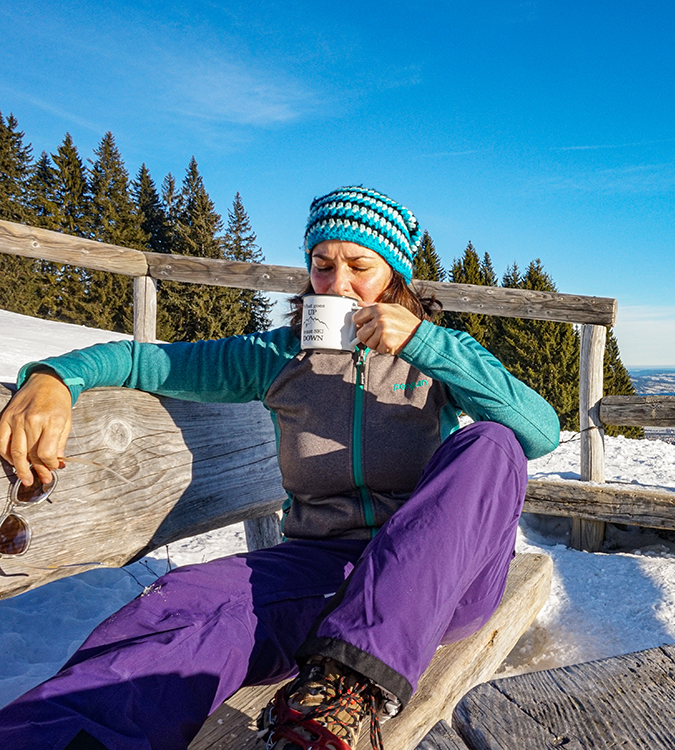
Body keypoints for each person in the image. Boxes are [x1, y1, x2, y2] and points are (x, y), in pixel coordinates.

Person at [0, 186, 560, 750]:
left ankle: (348, 687)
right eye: (322, 265)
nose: (338, 284)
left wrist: (423, 344)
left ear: (394, 274)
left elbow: (539, 430)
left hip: (441, 581)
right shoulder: (276, 356)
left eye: (359, 266)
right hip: (320, 569)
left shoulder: (440, 353)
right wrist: (53, 379)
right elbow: (144, 361)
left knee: (492, 442)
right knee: (181, 604)